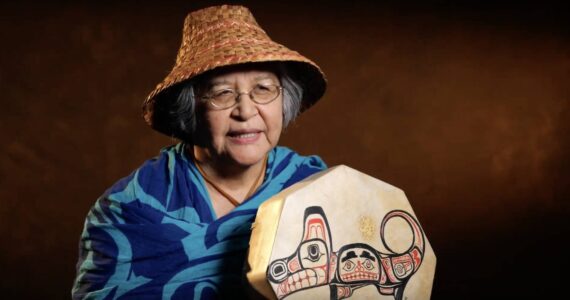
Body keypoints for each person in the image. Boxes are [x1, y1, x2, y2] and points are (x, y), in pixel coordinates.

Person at [72, 5, 327, 299]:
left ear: (284, 100)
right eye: (222, 93)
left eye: (263, 89)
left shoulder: (315, 188)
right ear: (190, 108)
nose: (245, 111)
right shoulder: (128, 210)